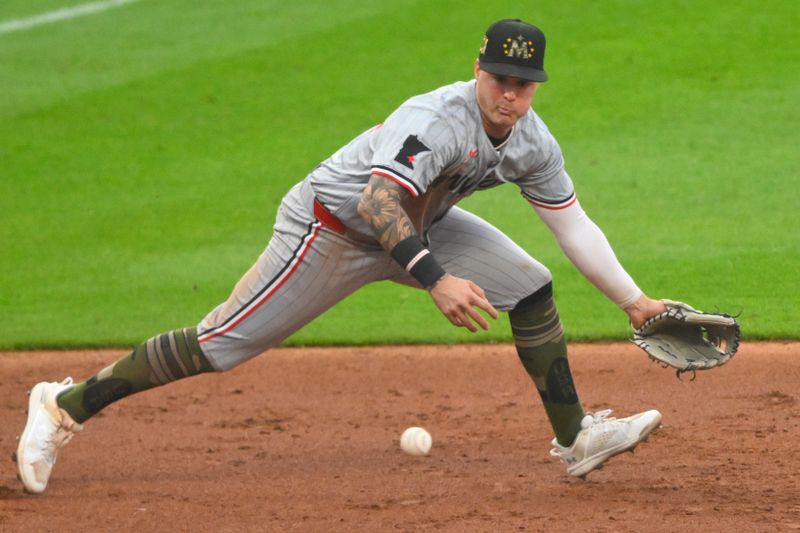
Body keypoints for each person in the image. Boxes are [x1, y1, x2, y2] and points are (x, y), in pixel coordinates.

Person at [15, 18, 668, 493]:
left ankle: (574, 435)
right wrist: (438, 280)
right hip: (334, 229)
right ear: (478, 71)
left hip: (423, 226)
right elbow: (381, 204)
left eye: (525, 84)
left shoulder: (532, 140)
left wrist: (633, 302)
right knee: (219, 343)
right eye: (500, 78)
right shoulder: (436, 120)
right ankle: (60, 406)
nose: (510, 95)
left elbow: (572, 223)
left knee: (530, 285)